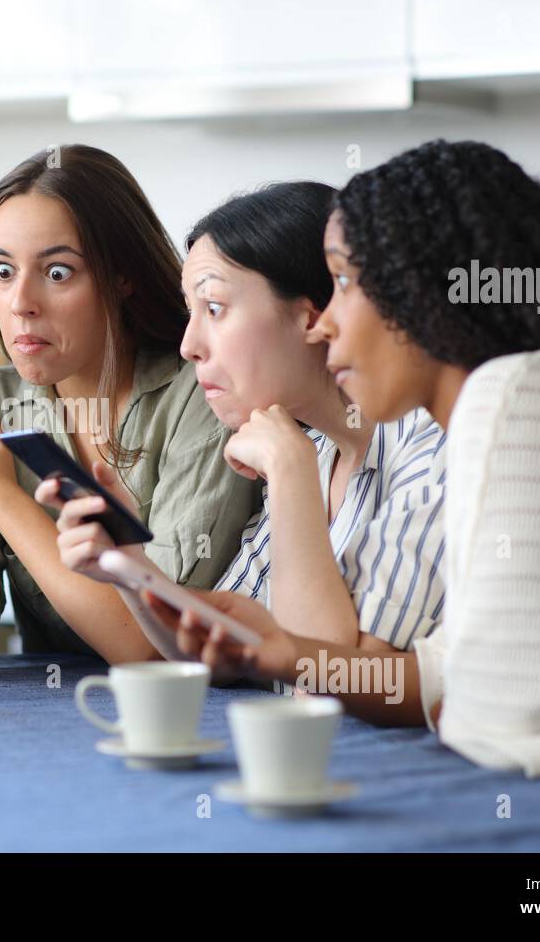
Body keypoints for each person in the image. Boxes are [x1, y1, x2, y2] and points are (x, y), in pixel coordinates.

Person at [159, 140, 540, 790]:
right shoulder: (514, 397)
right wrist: (291, 656)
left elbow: (490, 716)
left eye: (341, 284)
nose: (324, 322)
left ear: (416, 292)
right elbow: (439, 674)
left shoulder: (508, 398)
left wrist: (328, 666)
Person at [0, 145, 261, 673]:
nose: (19, 302)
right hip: (49, 717)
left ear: (122, 275)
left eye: (56, 273)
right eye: (2, 271)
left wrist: (2, 499)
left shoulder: (203, 393)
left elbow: (152, 646)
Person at [38, 183, 447, 677]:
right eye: (190, 312)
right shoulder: (313, 453)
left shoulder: (428, 448)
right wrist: (128, 565)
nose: (189, 345)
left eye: (213, 308)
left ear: (314, 316)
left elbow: (335, 677)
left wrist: (290, 474)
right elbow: (221, 650)